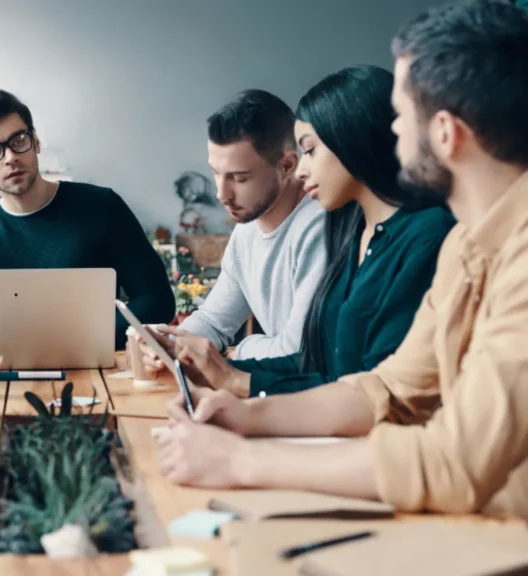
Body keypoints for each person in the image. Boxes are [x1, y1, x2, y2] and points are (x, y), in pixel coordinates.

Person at [156, 0, 528, 520]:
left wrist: (244, 460)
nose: (391, 132)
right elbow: (387, 388)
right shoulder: (469, 244)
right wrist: (250, 417)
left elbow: (454, 462)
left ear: (446, 133)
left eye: (401, 117)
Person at [149, 66, 455, 398]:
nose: (222, 194)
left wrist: (235, 367)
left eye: (309, 151)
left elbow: (366, 387)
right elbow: (324, 365)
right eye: (216, 174)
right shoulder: (357, 232)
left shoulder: (396, 232)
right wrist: (191, 353)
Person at [0, 89, 174, 349]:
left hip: (97, 374)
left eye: (18, 140)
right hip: (3, 380)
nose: (10, 158)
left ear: (36, 142)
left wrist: (87, 340)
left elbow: (157, 300)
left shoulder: (101, 207)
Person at [152, 90, 328, 361]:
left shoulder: (318, 228)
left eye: (240, 178)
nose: (222, 194)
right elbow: (213, 321)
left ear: (287, 165)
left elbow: (299, 351)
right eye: (216, 173)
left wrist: (240, 350)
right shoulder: (246, 231)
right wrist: (171, 344)